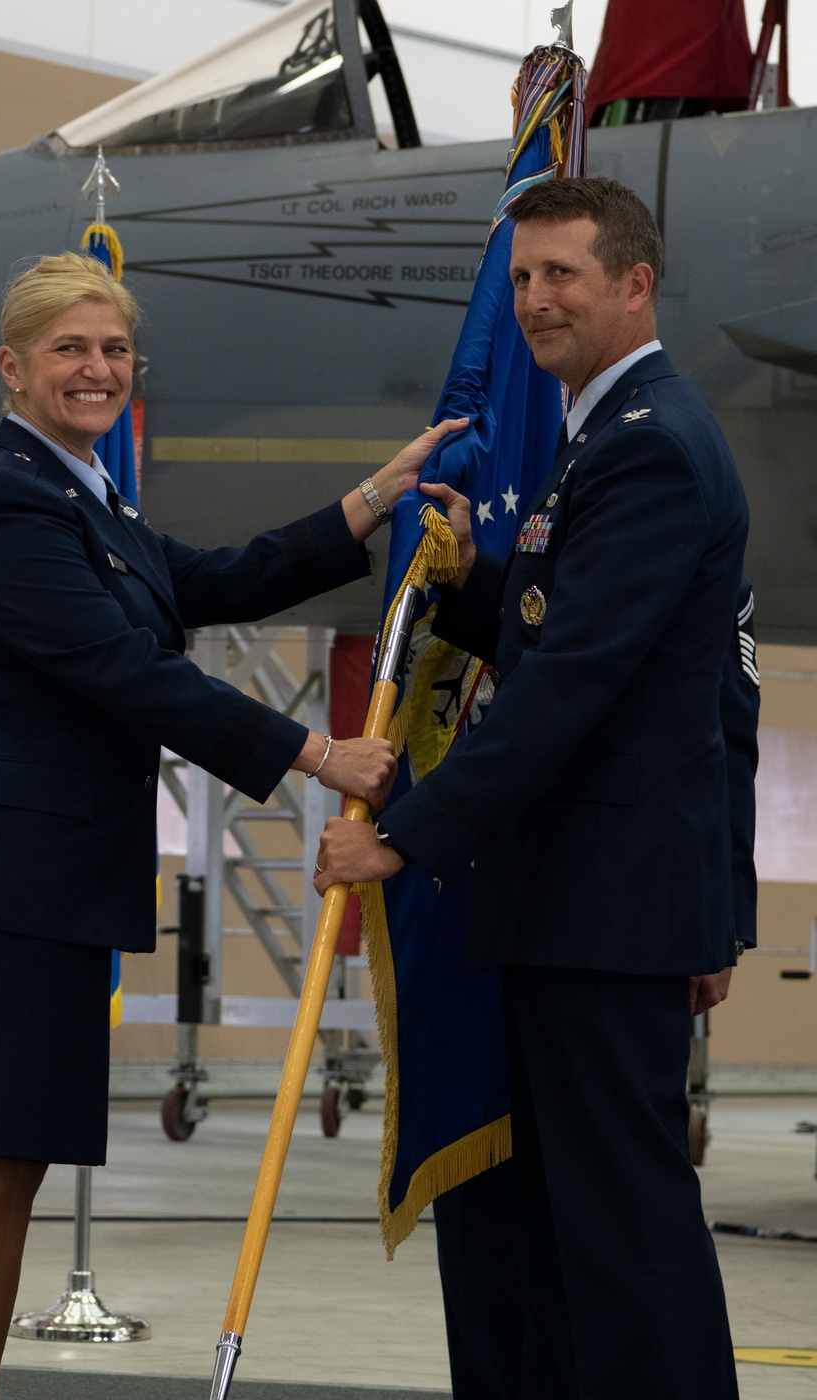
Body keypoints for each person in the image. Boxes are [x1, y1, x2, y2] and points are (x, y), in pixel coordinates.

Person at [0, 250, 466, 1400]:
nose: (97, 368)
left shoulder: (83, 490)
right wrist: (319, 753)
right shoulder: (9, 503)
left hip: (40, 885)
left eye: (114, 348)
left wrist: (372, 500)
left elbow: (217, 577)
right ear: (13, 366)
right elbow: (126, 671)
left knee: (5, 1170)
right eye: (70, 349)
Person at [316, 178, 758, 1400]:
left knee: (626, 1245)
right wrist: (468, 583)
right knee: (588, 1242)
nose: (531, 299)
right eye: (520, 277)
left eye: (561, 273)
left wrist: (403, 836)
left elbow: (570, 692)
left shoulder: (651, 446)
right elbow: (612, 648)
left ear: (633, 282)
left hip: (603, 907)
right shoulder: (609, 437)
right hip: (594, 900)